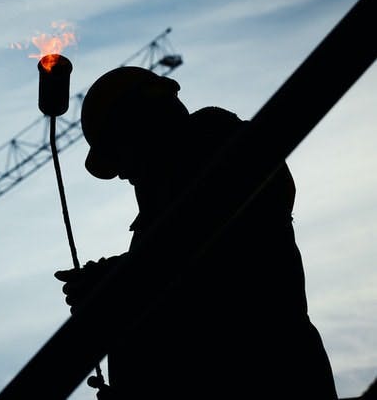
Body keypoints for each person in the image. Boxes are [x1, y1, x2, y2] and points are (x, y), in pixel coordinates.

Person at [55, 66, 337, 399]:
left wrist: (117, 281)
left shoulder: (235, 156)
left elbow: (213, 274)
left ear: (144, 124)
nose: (122, 174)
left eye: (120, 152)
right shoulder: (157, 225)